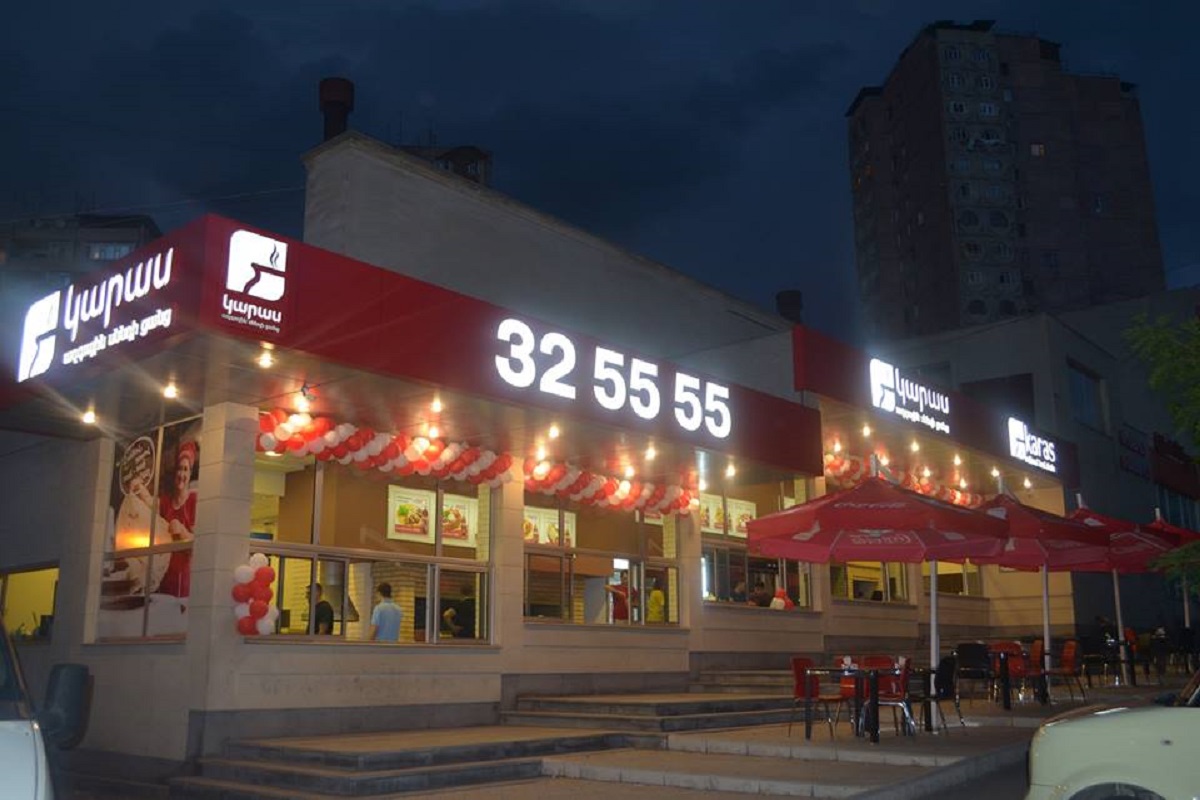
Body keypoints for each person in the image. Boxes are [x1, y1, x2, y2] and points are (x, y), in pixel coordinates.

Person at [156, 439, 197, 598]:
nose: (181, 474)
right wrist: (139, 489)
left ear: (190, 474)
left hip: (183, 577)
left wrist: (181, 531)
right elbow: (149, 504)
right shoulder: (165, 502)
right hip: (162, 574)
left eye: (185, 470)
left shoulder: (194, 501)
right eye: (179, 469)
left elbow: (199, 543)